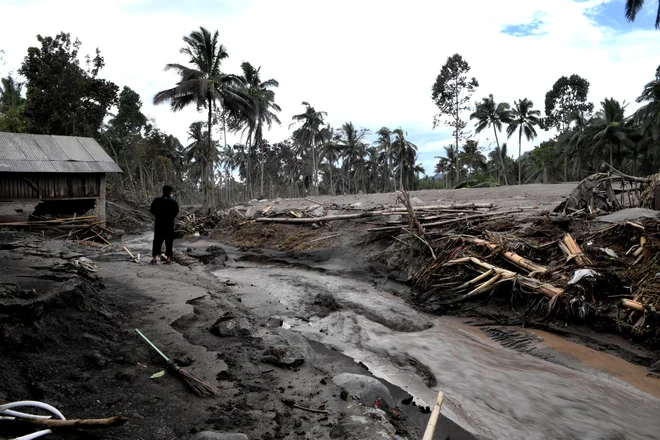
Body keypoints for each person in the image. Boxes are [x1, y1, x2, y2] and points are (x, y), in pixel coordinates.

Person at [150, 185, 179, 265]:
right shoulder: (173, 202)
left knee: (157, 241)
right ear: (170, 192)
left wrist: (158, 215)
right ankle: (168, 259)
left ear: (163, 191)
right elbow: (176, 212)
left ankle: (154, 259)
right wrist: (170, 217)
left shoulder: (156, 200)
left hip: (159, 224)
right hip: (169, 224)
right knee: (169, 242)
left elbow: (152, 210)